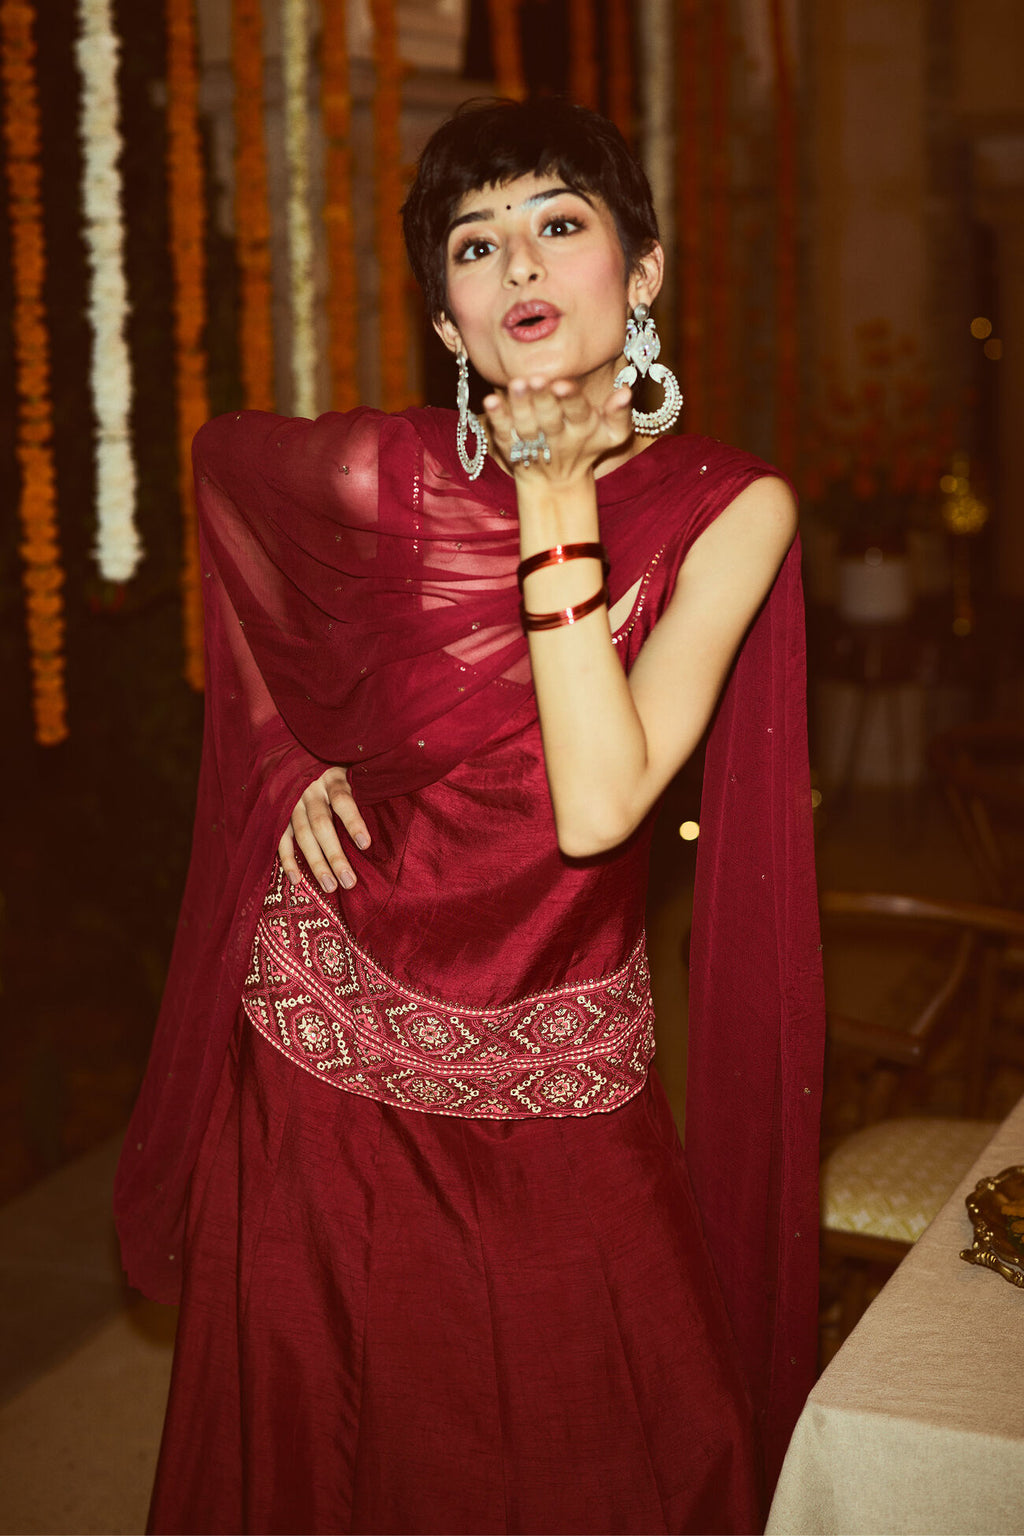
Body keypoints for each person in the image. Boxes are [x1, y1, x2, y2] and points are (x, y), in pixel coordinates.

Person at [116, 97, 824, 1536]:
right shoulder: (391, 478)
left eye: (560, 224)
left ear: (643, 271)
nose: (520, 267)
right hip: (328, 1029)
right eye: (475, 245)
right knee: (328, 1447)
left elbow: (600, 804)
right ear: (447, 321)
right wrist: (286, 755)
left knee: (638, 1443)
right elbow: (223, 470)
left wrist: (556, 498)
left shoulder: (729, 509)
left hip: (562, 1057)